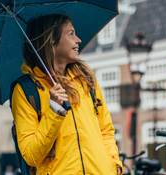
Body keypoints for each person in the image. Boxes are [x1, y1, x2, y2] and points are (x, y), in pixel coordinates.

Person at [11, 14, 123, 175]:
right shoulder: (26, 91)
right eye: (71, 33)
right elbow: (31, 156)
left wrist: (114, 165)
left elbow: (105, 129)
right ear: (52, 40)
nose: (78, 40)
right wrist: (54, 110)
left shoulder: (86, 79)